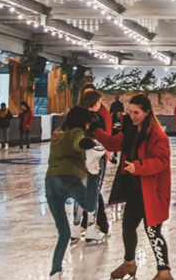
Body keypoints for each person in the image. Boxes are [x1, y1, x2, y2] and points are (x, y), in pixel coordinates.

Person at [93, 94, 173, 280]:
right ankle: (129, 263)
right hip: (135, 191)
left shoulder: (157, 135)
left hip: (152, 191)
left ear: (146, 112)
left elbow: (162, 161)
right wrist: (94, 132)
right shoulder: (131, 132)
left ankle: (164, 271)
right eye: (130, 112)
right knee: (128, 227)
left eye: (136, 112)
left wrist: (138, 167)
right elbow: (113, 144)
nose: (132, 116)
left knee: (153, 231)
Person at [44, 106, 104, 280]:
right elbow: (78, 142)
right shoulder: (76, 132)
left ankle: (55, 271)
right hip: (68, 179)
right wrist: (88, 144)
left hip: (50, 182)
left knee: (63, 232)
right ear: (81, 122)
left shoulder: (57, 132)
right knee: (90, 204)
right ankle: (94, 174)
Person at [74, 90, 110, 243]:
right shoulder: (97, 118)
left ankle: (77, 229)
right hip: (94, 158)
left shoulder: (75, 118)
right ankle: (91, 228)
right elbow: (101, 139)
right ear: (96, 103)